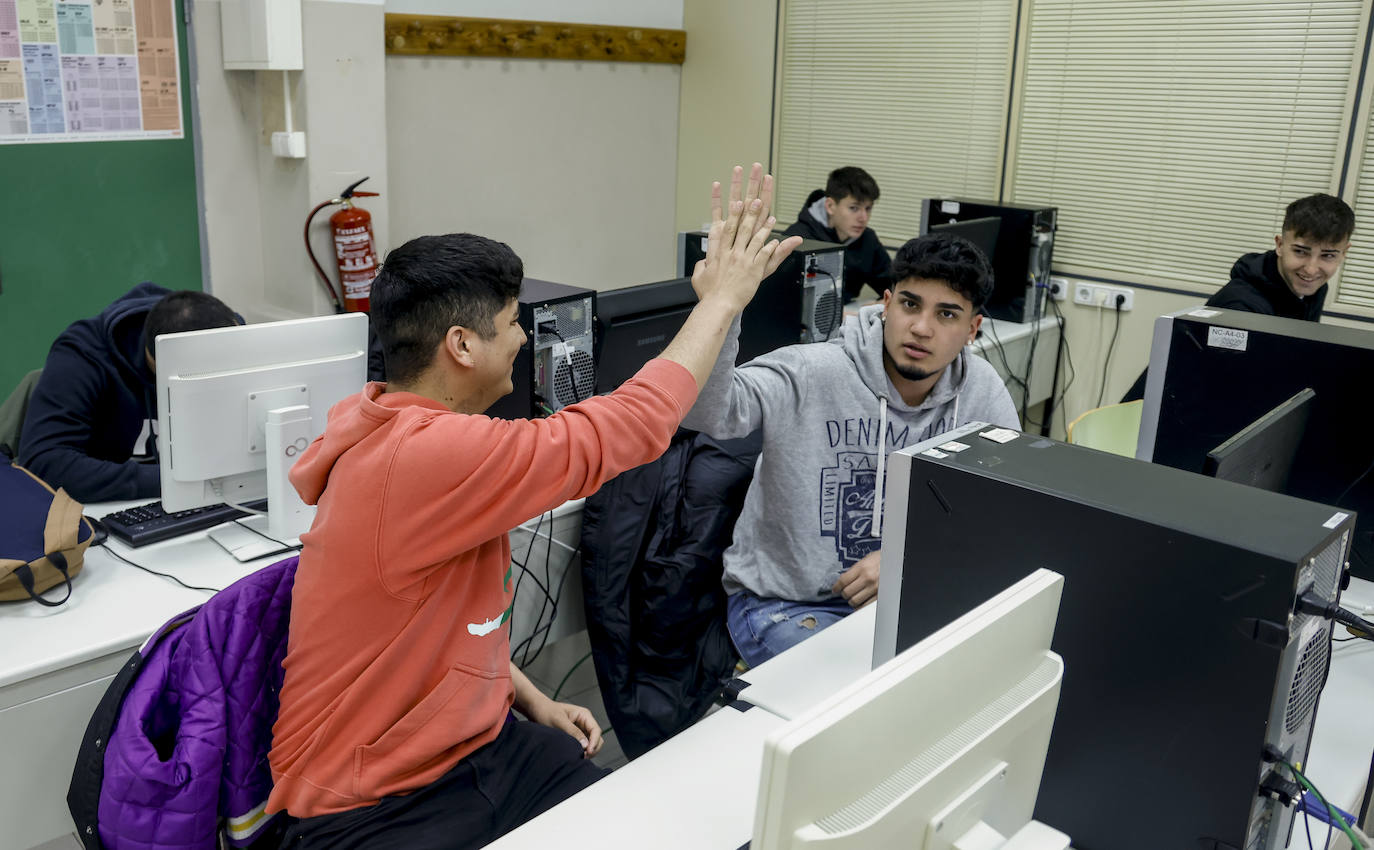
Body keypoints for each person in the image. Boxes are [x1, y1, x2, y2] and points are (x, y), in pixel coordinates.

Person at [266, 165, 801, 849]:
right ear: (461, 345)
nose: (523, 339)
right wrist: (721, 302)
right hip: (373, 806)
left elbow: (448, 621)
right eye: (513, 323)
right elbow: (626, 428)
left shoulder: (395, 430)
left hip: (477, 750)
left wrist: (525, 696)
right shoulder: (423, 457)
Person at [682, 232, 1020, 667]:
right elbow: (707, 414)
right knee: (869, 700)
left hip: (904, 597)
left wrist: (908, 559)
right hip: (786, 606)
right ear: (886, 304)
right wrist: (720, 307)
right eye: (910, 304)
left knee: (974, 674)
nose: (921, 327)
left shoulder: (979, 391)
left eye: (947, 314)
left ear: (972, 328)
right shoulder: (812, 370)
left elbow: (1008, 507)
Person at [17, 283, 239, 503]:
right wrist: (173, 480)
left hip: (207, 495)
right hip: (105, 507)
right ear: (169, 363)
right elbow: (44, 463)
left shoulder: (224, 332)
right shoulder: (82, 357)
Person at [1121, 193, 1355, 402]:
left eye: (1328, 256)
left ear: (1344, 254)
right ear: (1280, 245)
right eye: (1301, 252)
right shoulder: (1241, 307)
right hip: (1164, 418)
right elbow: (1239, 390)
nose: (1312, 269)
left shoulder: (1310, 289)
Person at [782, 165, 893, 302]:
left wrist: (887, 303)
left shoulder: (867, 239)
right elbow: (780, 299)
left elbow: (894, 285)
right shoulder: (797, 239)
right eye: (854, 208)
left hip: (849, 315)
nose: (863, 218)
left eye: (868, 208)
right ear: (830, 206)